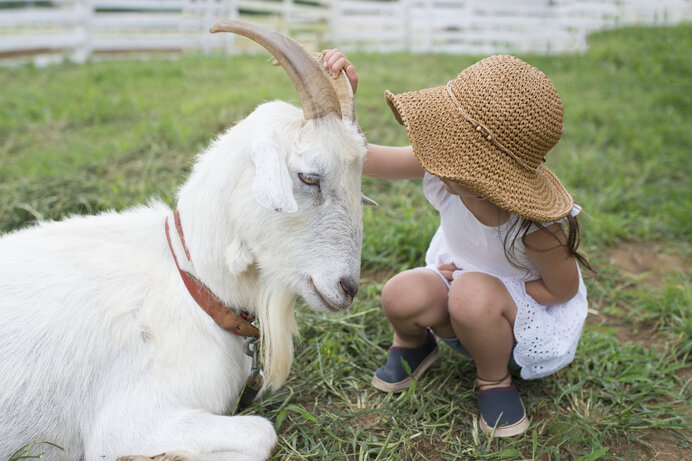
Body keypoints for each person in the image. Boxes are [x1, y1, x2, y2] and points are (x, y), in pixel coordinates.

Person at [322, 49, 595, 438]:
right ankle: (413, 344)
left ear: (488, 171)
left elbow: (562, 289)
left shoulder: (535, 226)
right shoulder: (445, 167)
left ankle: (494, 379)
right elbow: (363, 159)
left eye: (455, 146)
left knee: (471, 294)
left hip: (513, 327)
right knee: (400, 294)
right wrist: (343, 98)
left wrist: (497, 290)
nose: (439, 153)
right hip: (462, 293)